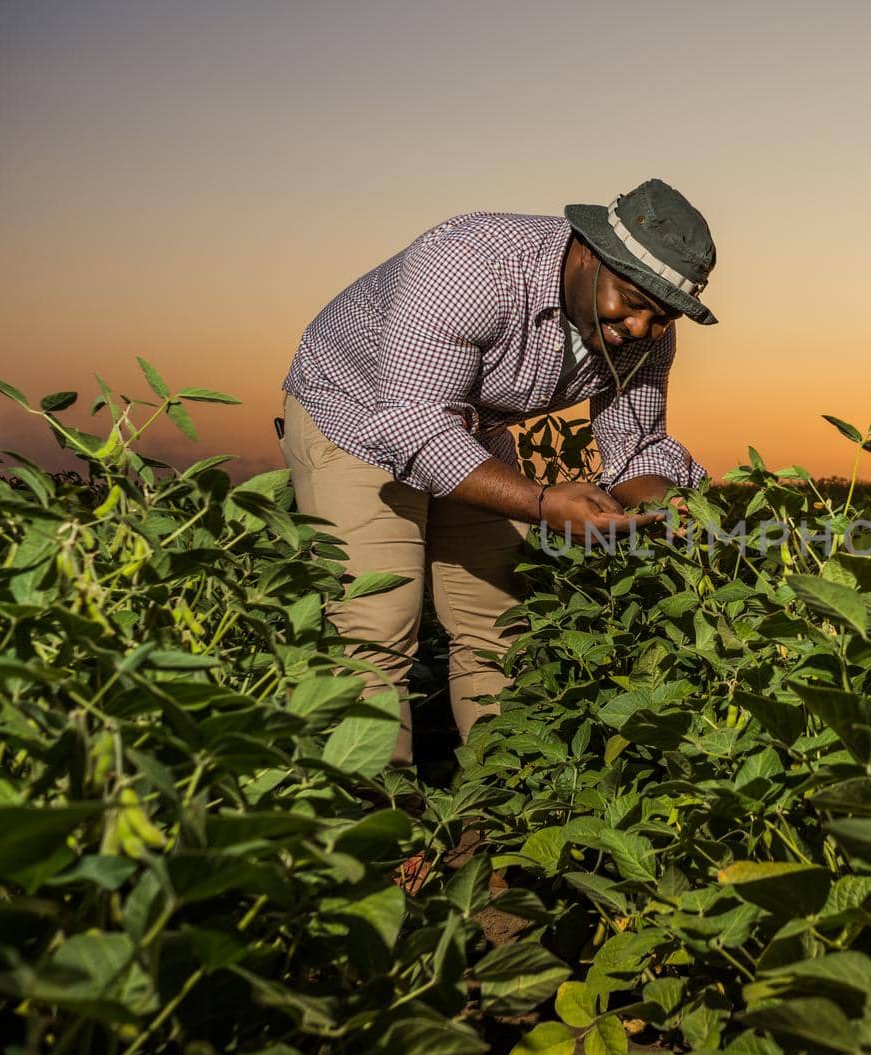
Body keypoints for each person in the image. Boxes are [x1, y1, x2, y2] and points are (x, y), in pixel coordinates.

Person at [277, 178, 717, 765]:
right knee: (374, 629)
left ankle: (494, 821)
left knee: (501, 629)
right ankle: (377, 831)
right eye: (633, 302)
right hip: (354, 415)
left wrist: (666, 508)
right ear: (587, 252)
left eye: (661, 316)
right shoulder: (472, 266)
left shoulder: (645, 336)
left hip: (469, 426)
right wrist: (541, 504)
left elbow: (636, 446)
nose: (640, 327)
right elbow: (413, 425)